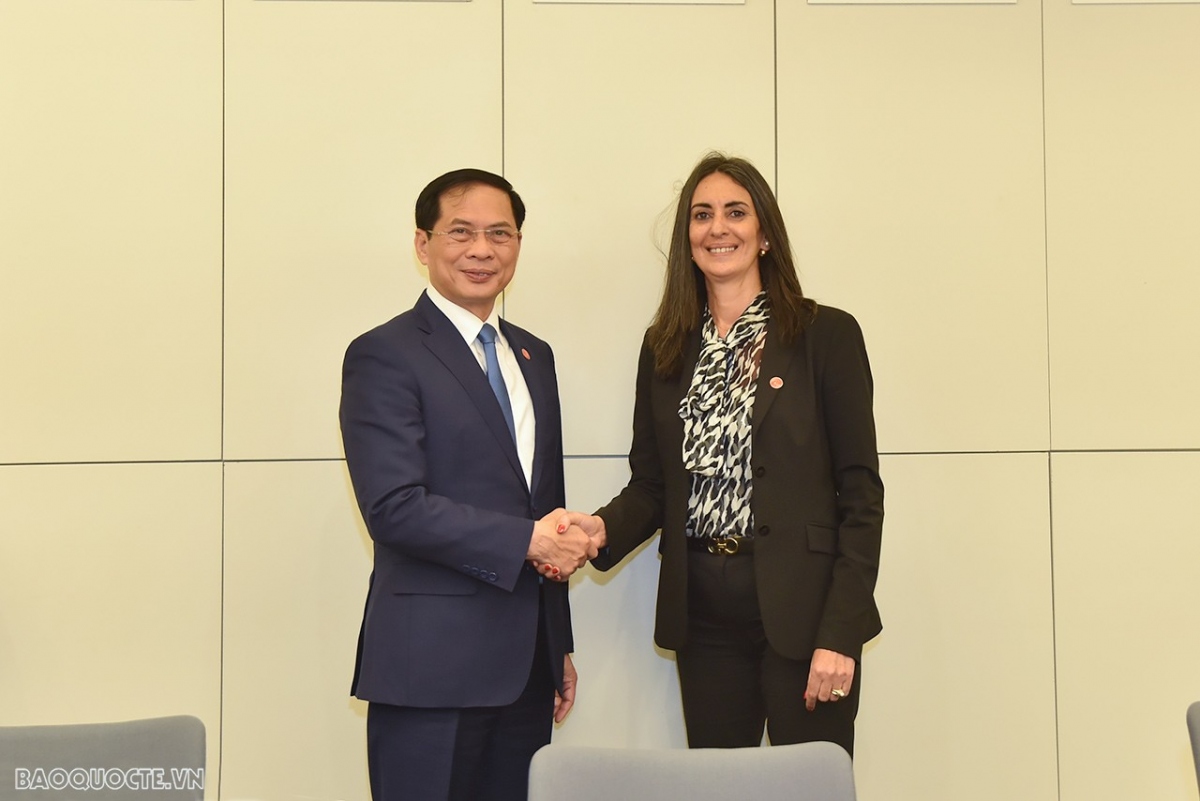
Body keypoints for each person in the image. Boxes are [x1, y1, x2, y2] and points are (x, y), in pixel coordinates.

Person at [554, 153, 883, 756]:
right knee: (718, 788)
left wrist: (841, 635)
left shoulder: (825, 336)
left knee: (808, 793)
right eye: (701, 215)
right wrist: (597, 530)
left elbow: (861, 498)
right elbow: (652, 486)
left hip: (804, 611)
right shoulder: (665, 347)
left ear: (764, 235)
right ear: (687, 238)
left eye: (736, 212)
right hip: (703, 610)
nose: (718, 228)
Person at [339, 168, 597, 801]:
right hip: (431, 670)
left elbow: (544, 508)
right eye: (461, 232)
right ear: (423, 244)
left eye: (499, 234)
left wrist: (556, 643)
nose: (482, 250)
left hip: (527, 671)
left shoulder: (535, 356)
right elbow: (394, 508)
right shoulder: (384, 354)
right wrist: (531, 543)